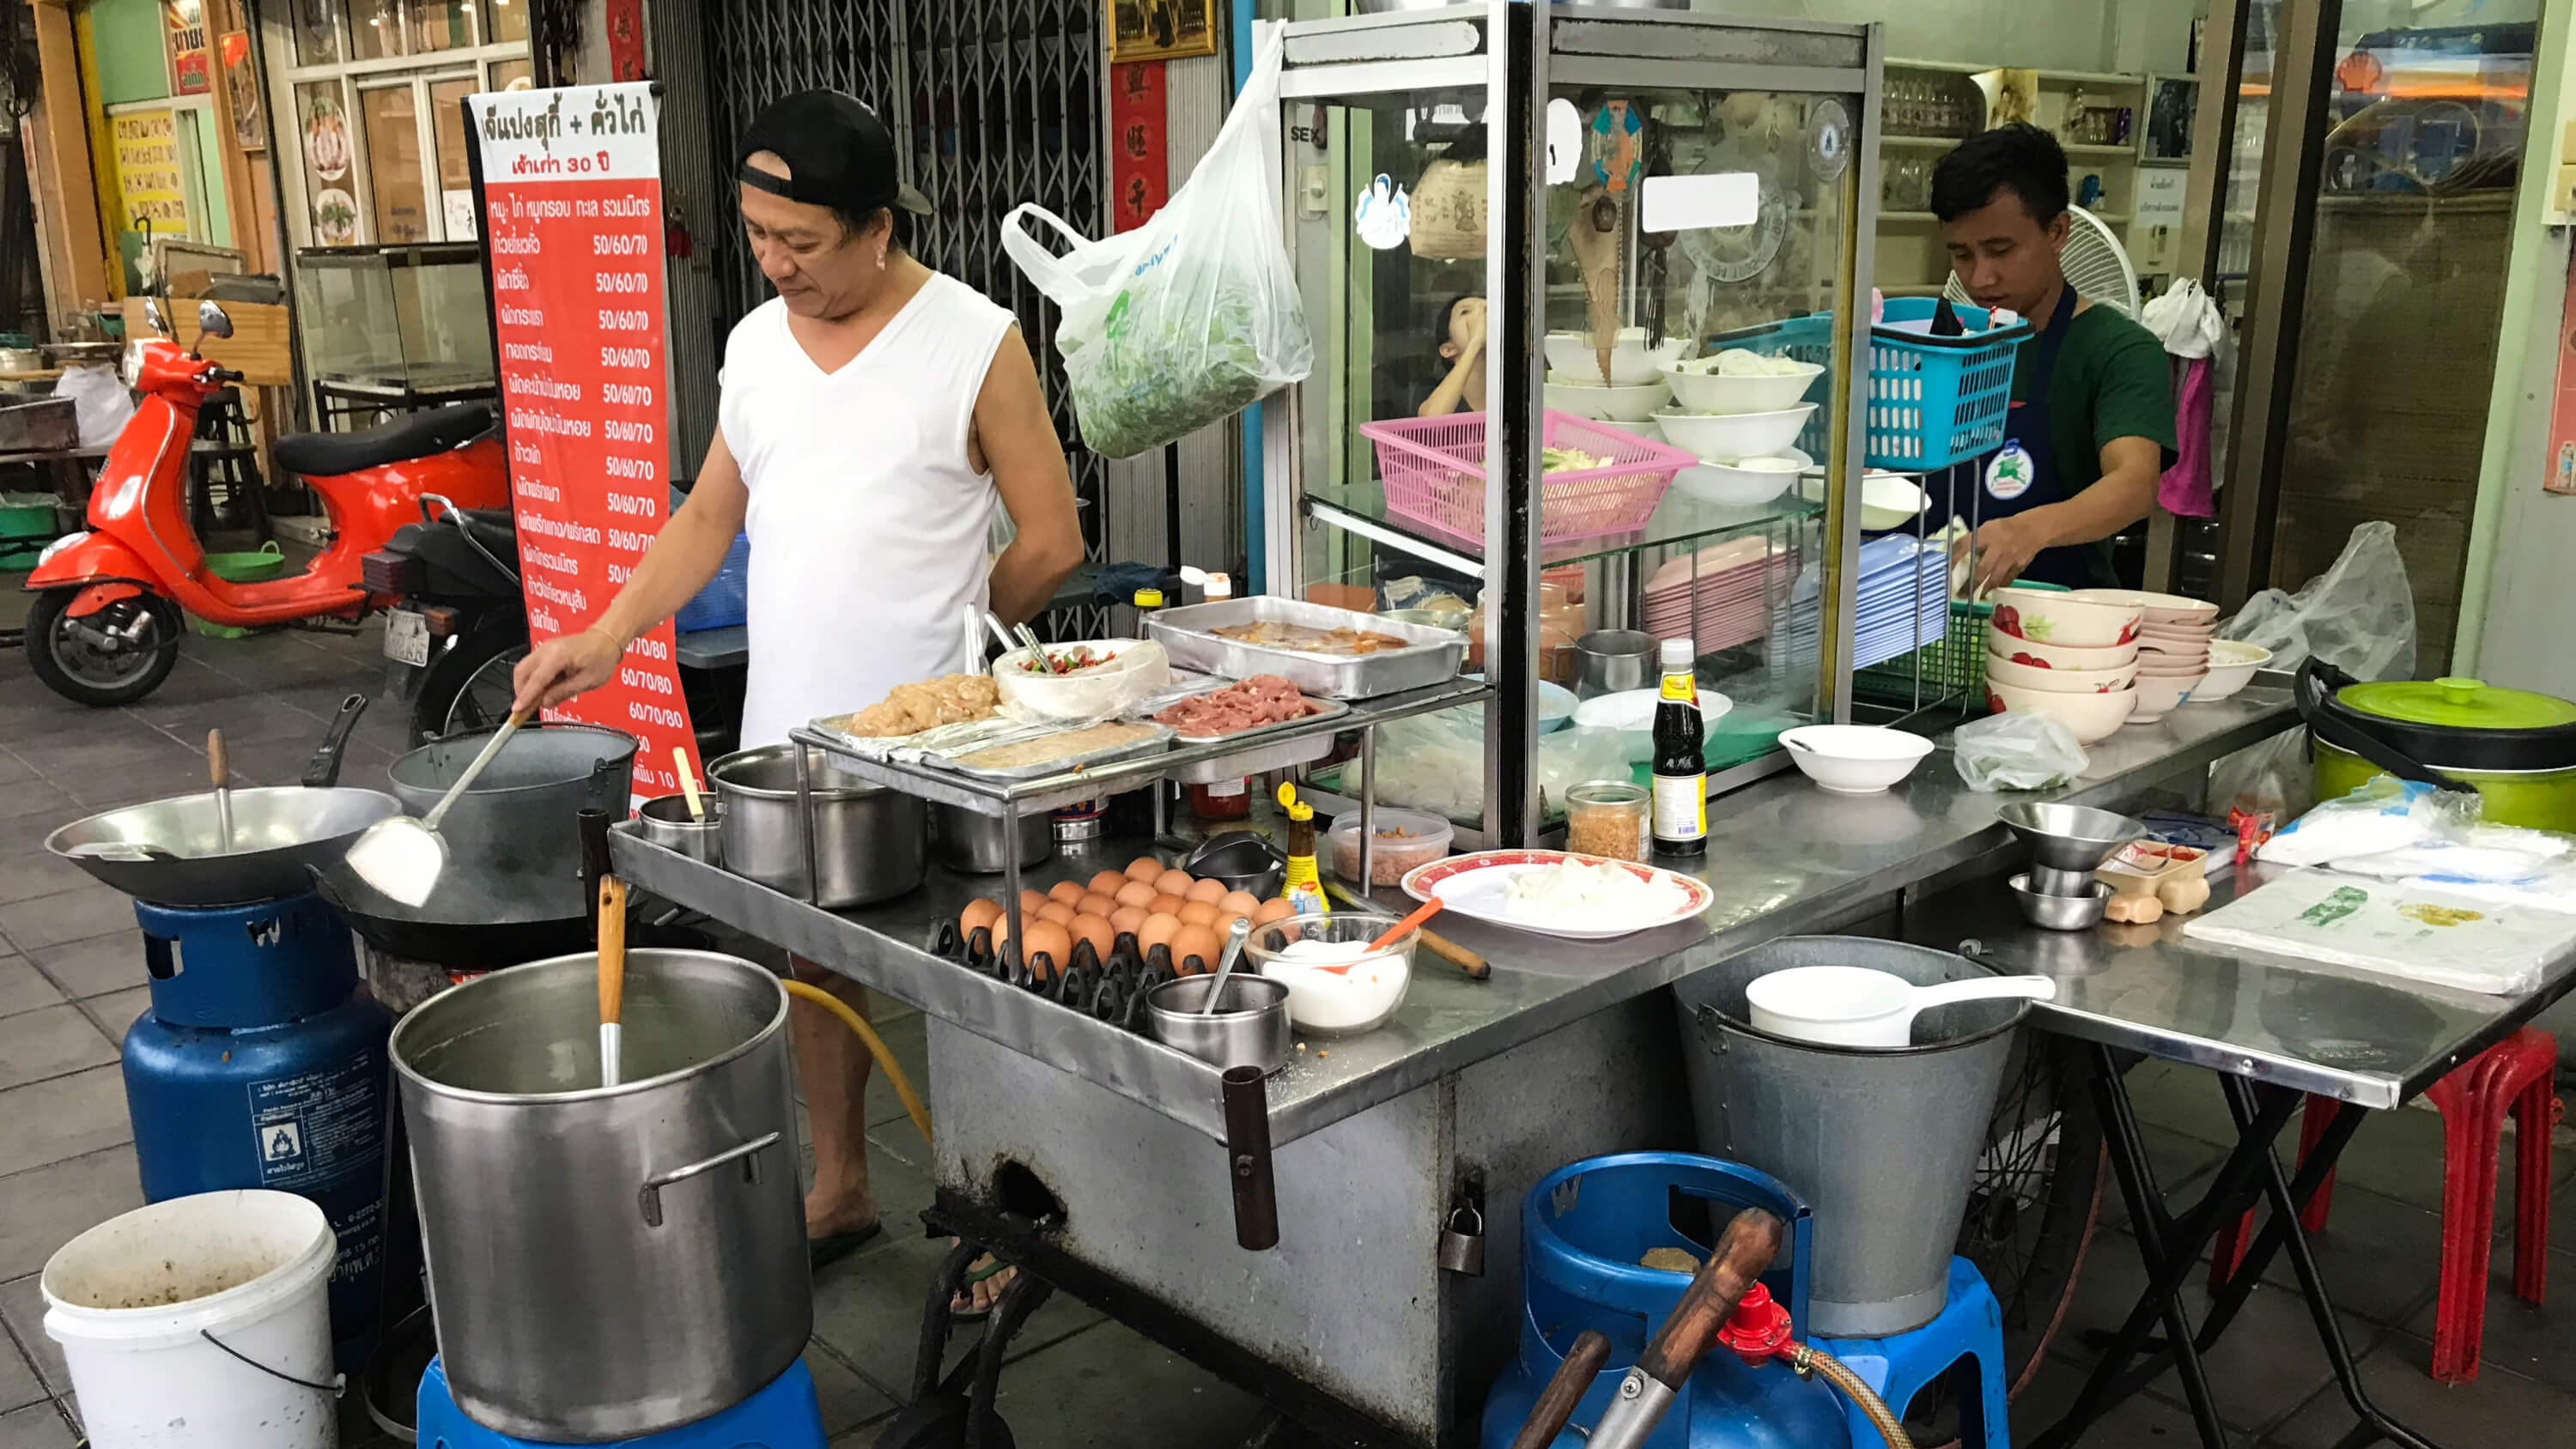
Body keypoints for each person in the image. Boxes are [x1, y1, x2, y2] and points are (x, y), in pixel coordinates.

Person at [511, 88, 1084, 1313]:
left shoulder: (973, 341)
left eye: (801, 243)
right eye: (759, 236)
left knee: (969, 969)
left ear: (878, 227)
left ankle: (1004, 1213)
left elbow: (1053, 538)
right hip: (792, 736)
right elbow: (711, 514)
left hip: (944, 747)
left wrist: (962, 651)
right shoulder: (758, 346)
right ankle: (839, 1184)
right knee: (808, 963)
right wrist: (604, 633)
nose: (775, 264)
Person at [1929, 123, 2175, 593]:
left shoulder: (2117, 350)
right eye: (1961, 255)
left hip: (2055, 628)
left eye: (2000, 250)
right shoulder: (1940, 342)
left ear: (2058, 231)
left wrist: (2029, 530)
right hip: (1931, 620)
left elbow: (2134, 483)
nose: (1980, 278)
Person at [1419, 294, 1487, 417]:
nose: (1481, 316)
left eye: (1487, 309)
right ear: (1448, 349)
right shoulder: (1431, 391)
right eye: (1465, 312)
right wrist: (1475, 343)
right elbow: (1430, 423)